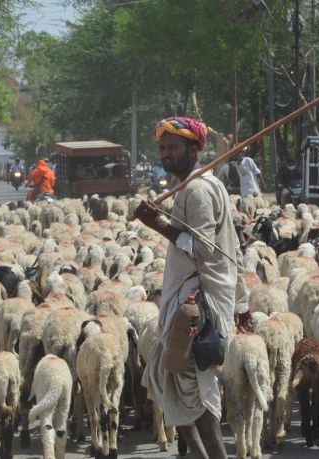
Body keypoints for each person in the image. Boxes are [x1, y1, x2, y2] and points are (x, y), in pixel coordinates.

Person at [134, 116, 248, 459]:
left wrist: (158, 224)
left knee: (195, 385)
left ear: (194, 148)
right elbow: (233, 249)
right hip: (199, 297)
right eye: (163, 148)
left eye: (173, 147)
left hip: (197, 305)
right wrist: (242, 303)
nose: (166, 154)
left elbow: (204, 249)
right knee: (164, 372)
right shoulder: (202, 185)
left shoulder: (198, 189)